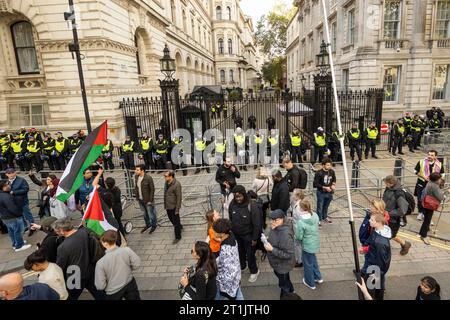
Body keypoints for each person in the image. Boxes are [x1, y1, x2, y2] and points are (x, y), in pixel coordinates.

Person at [54, 217, 106, 300]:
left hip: (74, 275)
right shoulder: (85, 231)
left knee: (71, 296)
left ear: (62, 230)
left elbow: (60, 266)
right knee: (98, 292)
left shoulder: (62, 247)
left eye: (57, 231)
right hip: (91, 269)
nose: (56, 233)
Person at [95, 230, 141, 300]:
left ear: (105, 243)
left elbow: (100, 286)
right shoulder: (126, 250)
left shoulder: (100, 263)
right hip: (129, 283)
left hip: (113, 291)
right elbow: (137, 264)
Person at [228, 185, 261, 283]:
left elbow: (257, 224)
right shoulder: (232, 204)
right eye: (236, 197)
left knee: (250, 255)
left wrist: (255, 238)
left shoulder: (252, 205)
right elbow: (231, 219)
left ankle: (254, 271)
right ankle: (243, 266)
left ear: (244, 195)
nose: (238, 199)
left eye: (240, 196)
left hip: (249, 236)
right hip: (237, 235)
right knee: (239, 252)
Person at [264, 209, 295, 298]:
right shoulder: (276, 226)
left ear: (282, 219)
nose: (273, 222)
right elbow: (276, 240)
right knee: (285, 279)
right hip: (278, 264)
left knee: (283, 285)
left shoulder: (285, 234)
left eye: (276, 220)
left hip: (283, 266)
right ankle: (292, 290)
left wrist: (272, 249)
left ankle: (286, 296)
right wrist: (268, 237)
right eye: (272, 219)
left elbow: (288, 254)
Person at [361, 213, 391, 300]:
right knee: (377, 289)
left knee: (370, 292)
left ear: (378, 223)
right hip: (374, 268)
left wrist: (376, 274)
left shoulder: (380, 242)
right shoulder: (378, 231)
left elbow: (381, 261)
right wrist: (366, 248)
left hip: (374, 270)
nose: (369, 221)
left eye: (372, 220)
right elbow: (371, 241)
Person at [212, 219, 243, 300]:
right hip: (236, 278)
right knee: (237, 292)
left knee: (235, 294)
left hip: (228, 281)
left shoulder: (226, 248)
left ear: (222, 233)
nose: (213, 233)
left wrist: (217, 277)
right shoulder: (230, 234)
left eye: (215, 231)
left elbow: (230, 271)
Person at [295, 200, 323, 290]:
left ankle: (310, 282)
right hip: (315, 242)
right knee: (313, 259)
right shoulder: (315, 215)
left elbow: (299, 236)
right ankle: (318, 277)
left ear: (302, 208)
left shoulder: (301, 222)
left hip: (307, 245)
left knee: (307, 264)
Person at [383, 175, 411, 255]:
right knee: (388, 234)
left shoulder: (399, 194)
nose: (385, 184)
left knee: (389, 235)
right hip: (386, 216)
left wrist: (389, 213)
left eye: (386, 183)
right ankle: (405, 244)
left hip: (393, 220)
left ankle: (405, 244)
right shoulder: (389, 188)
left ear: (391, 183)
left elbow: (402, 210)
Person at [0, 181, 31, 252]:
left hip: (5, 217)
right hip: (13, 217)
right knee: (18, 231)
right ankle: (19, 245)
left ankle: (15, 243)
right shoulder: (6, 196)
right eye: (7, 185)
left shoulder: (3, 195)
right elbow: (12, 208)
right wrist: (19, 214)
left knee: (11, 231)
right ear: (3, 187)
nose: (9, 186)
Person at [414, 150, 444, 221]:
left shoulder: (439, 164)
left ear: (435, 156)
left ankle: (427, 216)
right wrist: (423, 177)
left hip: (433, 186)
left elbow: (442, 174)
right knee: (420, 199)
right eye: (429, 154)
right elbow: (415, 171)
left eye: (432, 155)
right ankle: (421, 212)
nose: (429, 156)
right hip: (421, 183)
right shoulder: (421, 162)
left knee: (430, 200)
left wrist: (440, 184)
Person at [5, 167, 35, 236]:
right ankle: (25, 227)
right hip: (14, 203)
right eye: (9, 173)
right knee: (20, 216)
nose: (11, 174)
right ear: (6, 174)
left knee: (28, 216)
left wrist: (14, 192)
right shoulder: (7, 182)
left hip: (23, 202)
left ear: (15, 172)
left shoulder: (21, 180)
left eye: (12, 172)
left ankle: (33, 227)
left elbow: (26, 189)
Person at [419, 172, 445, 245]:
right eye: (439, 179)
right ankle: (423, 235)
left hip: (426, 203)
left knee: (427, 218)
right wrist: (446, 193)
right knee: (427, 220)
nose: (440, 180)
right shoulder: (434, 186)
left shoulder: (429, 182)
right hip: (430, 205)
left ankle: (427, 228)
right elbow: (441, 197)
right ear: (436, 180)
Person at [134, 164, 157, 234]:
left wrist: (150, 200)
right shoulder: (136, 177)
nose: (135, 171)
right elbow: (136, 187)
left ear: (142, 170)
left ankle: (154, 225)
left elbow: (152, 189)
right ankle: (148, 224)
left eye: (137, 170)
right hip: (140, 200)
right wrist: (137, 197)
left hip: (148, 201)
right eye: (136, 169)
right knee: (144, 214)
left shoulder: (148, 178)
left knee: (151, 214)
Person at [313, 158, 336, 225]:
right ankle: (318, 219)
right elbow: (315, 184)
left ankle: (325, 216)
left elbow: (334, 179)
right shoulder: (318, 173)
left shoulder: (332, 171)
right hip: (321, 192)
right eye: (327, 165)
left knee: (326, 206)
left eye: (330, 165)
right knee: (320, 206)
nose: (329, 166)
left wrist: (333, 185)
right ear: (323, 165)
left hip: (330, 192)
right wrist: (324, 187)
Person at [163, 170, 183, 244]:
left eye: (166, 176)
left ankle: (178, 236)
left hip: (174, 206)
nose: (164, 177)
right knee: (171, 219)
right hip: (168, 206)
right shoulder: (166, 183)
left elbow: (179, 197)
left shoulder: (177, 184)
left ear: (171, 176)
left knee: (175, 222)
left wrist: (177, 209)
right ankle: (179, 226)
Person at [290, 189, 305, 268]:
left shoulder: (299, 206)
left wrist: (299, 232)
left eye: (293, 194)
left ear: (298, 196)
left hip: (298, 230)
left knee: (298, 245)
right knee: (298, 245)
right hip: (296, 228)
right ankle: (300, 259)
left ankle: (299, 261)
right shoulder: (296, 204)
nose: (292, 195)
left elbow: (301, 220)